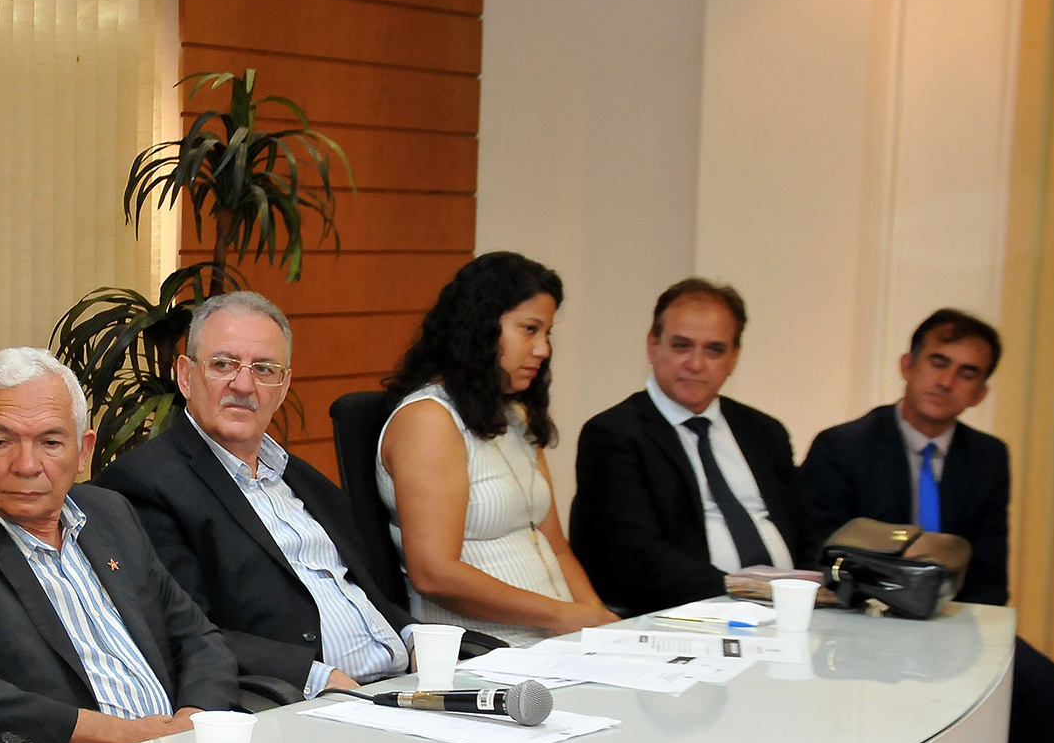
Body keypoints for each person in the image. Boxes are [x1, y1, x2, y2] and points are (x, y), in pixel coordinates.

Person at [803, 308, 1054, 743]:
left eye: (966, 373)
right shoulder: (843, 446)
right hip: (861, 626)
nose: (946, 381)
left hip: (955, 620)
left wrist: (961, 637)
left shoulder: (988, 458)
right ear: (908, 364)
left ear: (980, 393)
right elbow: (823, 558)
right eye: (937, 363)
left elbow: (990, 571)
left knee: (1042, 687)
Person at [0, 347, 240, 743]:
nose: (27, 465)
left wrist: (192, 723)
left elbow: (198, 639)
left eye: (50, 442)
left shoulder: (110, 514)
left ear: (84, 451)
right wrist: (122, 736)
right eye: (1, 442)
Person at [100, 291, 446, 696]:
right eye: (223, 364)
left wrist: (413, 636)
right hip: (302, 703)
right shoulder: (145, 485)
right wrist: (315, 677)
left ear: (283, 388)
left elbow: (359, 591)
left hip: (405, 685)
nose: (244, 385)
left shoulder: (303, 479)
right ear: (186, 376)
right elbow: (183, 631)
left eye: (264, 369)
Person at [376, 252, 616, 646]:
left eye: (546, 333)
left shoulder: (516, 415)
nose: (543, 349)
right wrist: (563, 616)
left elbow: (556, 548)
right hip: (487, 649)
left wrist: (600, 622)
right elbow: (434, 573)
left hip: (555, 640)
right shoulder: (429, 419)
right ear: (481, 327)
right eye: (529, 330)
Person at [570, 278, 819, 616]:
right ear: (653, 346)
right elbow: (638, 557)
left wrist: (809, 594)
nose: (696, 364)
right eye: (682, 346)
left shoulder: (764, 432)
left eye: (714, 350)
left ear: (734, 357)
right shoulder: (614, 435)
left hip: (792, 612)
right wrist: (747, 595)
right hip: (684, 615)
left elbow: (807, 534)